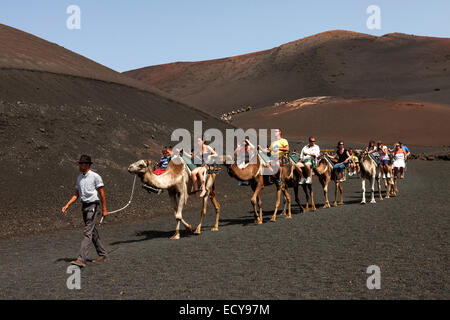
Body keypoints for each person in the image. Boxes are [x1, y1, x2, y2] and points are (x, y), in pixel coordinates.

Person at [61, 155, 108, 268]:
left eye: (82, 164)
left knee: (87, 232)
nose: (80, 165)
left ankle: (81, 259)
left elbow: (101, 193)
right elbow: (76, 195)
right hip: (84, 206)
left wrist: (104, 209)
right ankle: (103, 254)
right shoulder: (79, 178)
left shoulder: (95, 176)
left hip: (93, 205)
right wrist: (67, 205)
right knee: (92, 231)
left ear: (87, 165)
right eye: (80, 163)